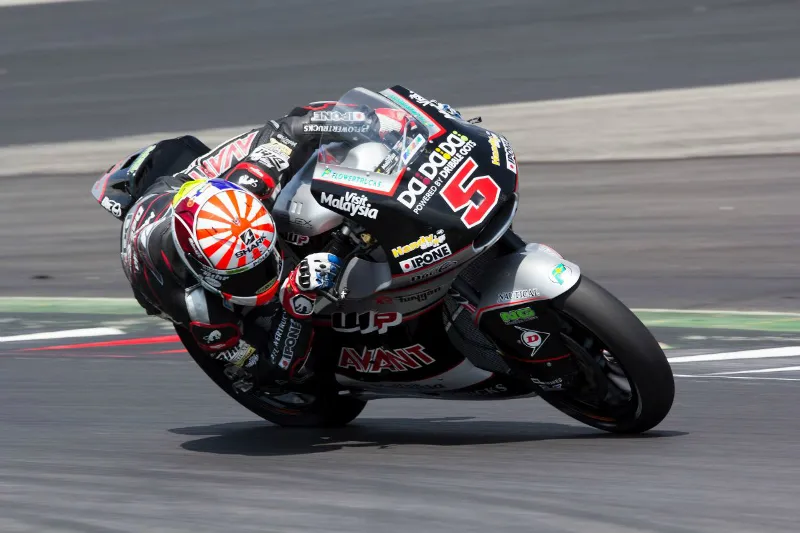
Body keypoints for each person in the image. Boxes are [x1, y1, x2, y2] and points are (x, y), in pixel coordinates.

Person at [109, 102, 382, 394]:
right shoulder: (200, 309)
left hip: (189, 189)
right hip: (161, 267)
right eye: (249, 274)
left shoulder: (249, 179)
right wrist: (297, 301)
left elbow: (291, 129)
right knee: (286, 374)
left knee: (309, 131)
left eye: (263, 263)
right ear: (208, 275)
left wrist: (351, 122)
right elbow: (269, 370)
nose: (269, 274)